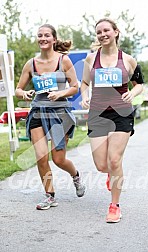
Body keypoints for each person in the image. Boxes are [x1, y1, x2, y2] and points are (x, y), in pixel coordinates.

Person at [15, 24, 85, 210]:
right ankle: (50, 196)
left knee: (58, 159)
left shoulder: (64, 61)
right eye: (40, 35)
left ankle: (76, 175)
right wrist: (25, 94)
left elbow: (75, 87)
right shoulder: (31, 64)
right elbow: (18, 89)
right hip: (38, 111)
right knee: (41, 157)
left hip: (60, 113)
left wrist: (60, 94)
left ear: (54, 39)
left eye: (47, 35)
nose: (43, 38)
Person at [81, 18, 144, 223]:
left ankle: (114, 206)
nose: (102, 34)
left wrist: (132, 93)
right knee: (102, 165)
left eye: (106, 30)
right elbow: (83, 83)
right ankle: (113, 174)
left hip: (121, 113)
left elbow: (139, 84)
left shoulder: (128, 60)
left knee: (114, 160)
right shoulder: (91, 59)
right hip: (98, 114)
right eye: (99, 32)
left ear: (116, 32)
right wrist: (84, 96)